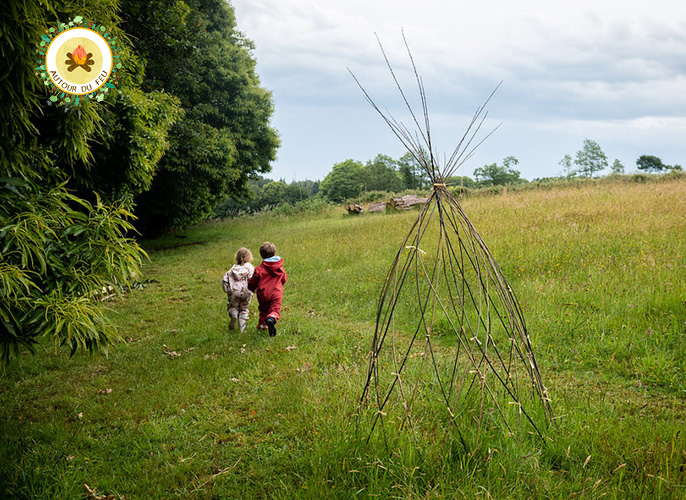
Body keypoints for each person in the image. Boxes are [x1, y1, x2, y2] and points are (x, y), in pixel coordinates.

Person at [248, 242, 287, 336]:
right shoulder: (279, 268)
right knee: (275, 309)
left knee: (264, 311)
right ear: (274, 253)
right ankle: (272, 318)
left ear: (262, 256)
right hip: (276, 293)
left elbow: (253, 282)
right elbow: (284, 279)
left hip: (263, 293)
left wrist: (251, 287)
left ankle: (262, 326)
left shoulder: (259, 269)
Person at [221, 247, 254, 333]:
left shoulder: (233, 269)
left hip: (234, 292)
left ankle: (234, 315)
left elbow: (225, 279)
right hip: (246, 292)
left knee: (233, 307)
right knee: (244, 309)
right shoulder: (250, 268)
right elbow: (254, 279)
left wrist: (227, 290)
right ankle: (242, 330)